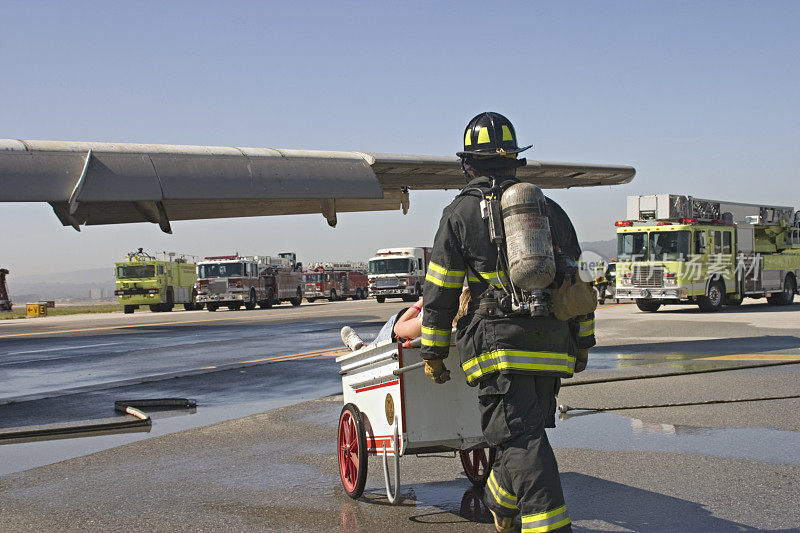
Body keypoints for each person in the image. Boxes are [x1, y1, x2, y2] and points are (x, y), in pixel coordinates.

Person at [421, 112, 595, 533]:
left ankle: (548, 528)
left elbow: (441, 290)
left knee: (522, 440)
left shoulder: (460, 212)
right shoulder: (550, 210)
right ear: (516, 160)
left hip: (499, 348)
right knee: (522, 434)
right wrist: (582, 344)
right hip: (551, 345)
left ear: (469, 164)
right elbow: (579, 283)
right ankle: (499, 500)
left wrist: (434, 352)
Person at [340, 297, 424, 351]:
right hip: (406, 322)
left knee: (370, 350)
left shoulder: (429, 320)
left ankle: (360, 348)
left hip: (396, 333)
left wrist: (424, 300)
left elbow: (398, 328)